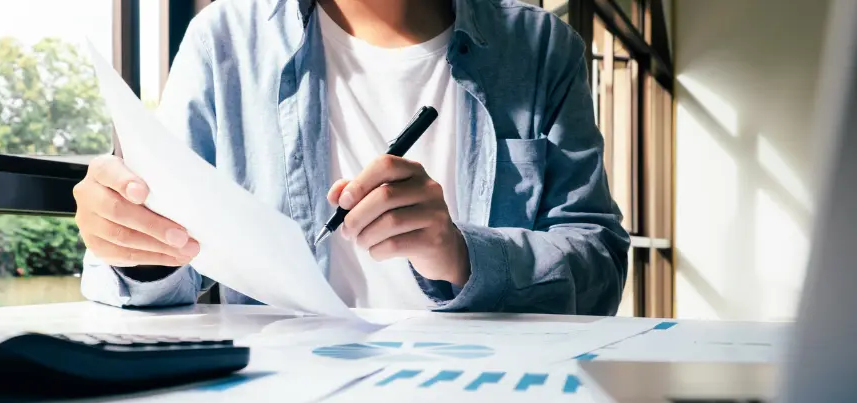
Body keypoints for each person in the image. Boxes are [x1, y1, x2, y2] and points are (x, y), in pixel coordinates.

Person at [75, 0, 630, 315]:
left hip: (488, 395)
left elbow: (600, 261)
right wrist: (139, 244)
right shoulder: (223, 40)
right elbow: (170, 260)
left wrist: (461, 256)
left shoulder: (541, 48)